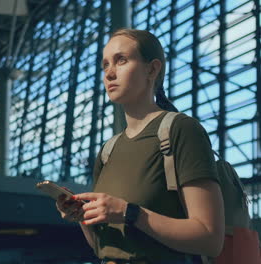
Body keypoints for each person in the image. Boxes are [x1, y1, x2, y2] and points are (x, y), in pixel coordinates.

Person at [56, 29, 224, 263]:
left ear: (152, 69)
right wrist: (81, 216)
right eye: (105, 65)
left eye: (121, 60)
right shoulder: (108, 150)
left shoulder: (181, 130)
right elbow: (102, 247)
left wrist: (129, 212)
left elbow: (210, 239)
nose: (109, 73)